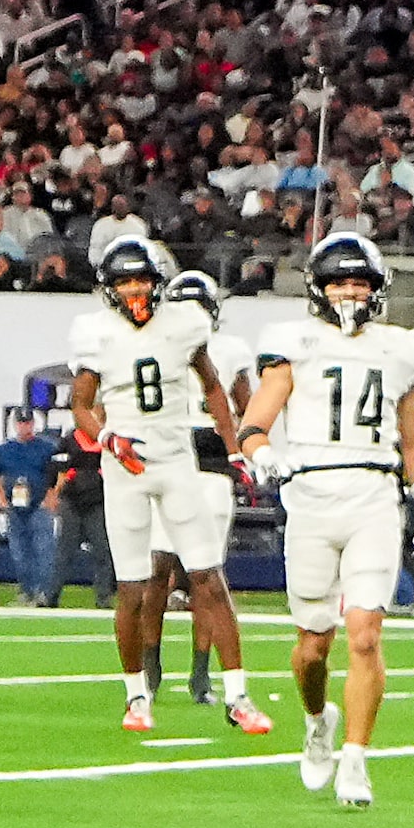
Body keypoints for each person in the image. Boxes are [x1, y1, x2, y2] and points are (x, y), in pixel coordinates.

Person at [234, 234, 414, 807]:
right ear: (318, 289)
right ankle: (316, 721)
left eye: (361, 281)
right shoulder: (293, 343)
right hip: (311, 499)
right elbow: (254, 424)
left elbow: (413, 434)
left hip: (374, 494)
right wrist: (262, 453)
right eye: (340, 281)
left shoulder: (400, 348)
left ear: (378, 288)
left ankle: (356, 758)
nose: (351, 291)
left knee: (366, 635)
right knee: (312, 649)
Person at [66, 238, 247, 734]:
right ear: (109, 289)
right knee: (133, 586)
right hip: (125, 469)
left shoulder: (184, 323)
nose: (134, 290)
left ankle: (238, 694)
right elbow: (81, 403)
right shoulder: (95, 333)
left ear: (158, 283)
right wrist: (106, 435)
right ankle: (137, 694)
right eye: (124, 282)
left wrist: (234, 447)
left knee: (208, 575)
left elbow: (212, 384)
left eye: (141, 280)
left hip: (177, 463)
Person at [155, 269, 269, 730]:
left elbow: (243, 406)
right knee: (160, 571)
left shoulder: (228, 350)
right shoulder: (158, 343)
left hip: (208, 461)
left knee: (201, 573)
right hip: (172, 455)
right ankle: (156, 668)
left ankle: (195, 673)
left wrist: (244, 448)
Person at [0, 410, 58, 608]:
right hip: (14, 507)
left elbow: (59, 474)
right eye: (21, 423)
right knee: (19, 552)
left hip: (39, 505)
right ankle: (26, 592)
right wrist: (0, 499)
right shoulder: (3, 450)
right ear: (14, 424)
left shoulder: (47, 448)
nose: (24, 427)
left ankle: (43, 593)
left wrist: (51, 498)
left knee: (44, 550)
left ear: (33, 424)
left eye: (28, 423)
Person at [45, 417, 111, 611]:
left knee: (102, 552)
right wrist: (53, 495)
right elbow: (58, 470)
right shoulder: (70, 440)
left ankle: (104, 598)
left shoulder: (107, 440)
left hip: (97, 503)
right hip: (72, 502)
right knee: (64, 553)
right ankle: (51, 595)